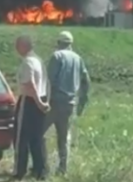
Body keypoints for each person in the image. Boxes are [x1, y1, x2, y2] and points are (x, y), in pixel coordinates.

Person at [44, 30, 90, 174]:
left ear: (59, 43)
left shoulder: (56, 56)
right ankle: (63, 168)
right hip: (70, 104)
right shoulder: (78, 58)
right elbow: (86, 81)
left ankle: (41, 166)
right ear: (71, 44)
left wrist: (44, 100)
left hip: (54, 102)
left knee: (39, 133)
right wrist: (82, 100)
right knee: (64, 137)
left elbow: (48, 81)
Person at [12, 35, 50, 180]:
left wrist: (38, 102)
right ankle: (40, 170)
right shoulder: (39, 61)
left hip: (28, 101)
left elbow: (29, 84)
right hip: (41, 98)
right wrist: (44, 101)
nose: (16, 48)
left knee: (20, 138)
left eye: (18, 45)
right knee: (37, 137)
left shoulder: (27, 62)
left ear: (23, 46)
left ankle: (19, 171)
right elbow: (47, 82)